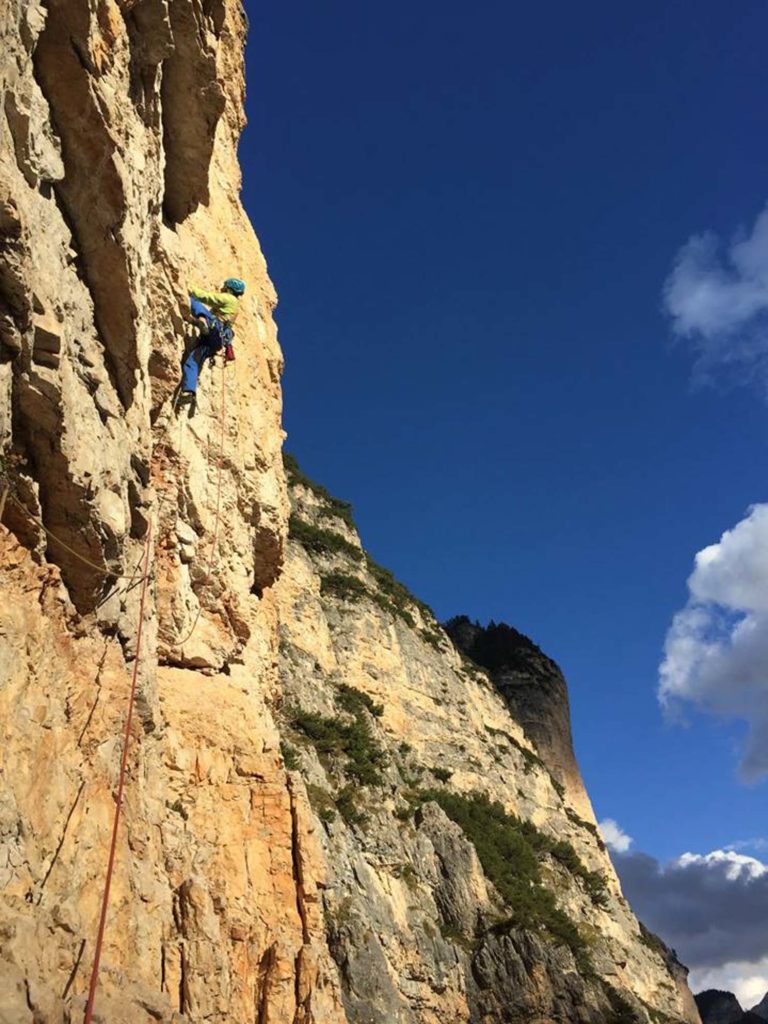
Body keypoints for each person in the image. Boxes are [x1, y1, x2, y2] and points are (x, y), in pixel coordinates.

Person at [181, 277, 245, 395]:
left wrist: (188, 287)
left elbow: (208, 297)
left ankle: (202, 320)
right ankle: (188, 392)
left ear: (229, 290)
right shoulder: (235, 307)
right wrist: (191, 320)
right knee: (193, 360)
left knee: (195, 301)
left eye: (225, 287)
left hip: (214, 330)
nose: (222, 289)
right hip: (216, 342)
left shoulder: (229, 298)